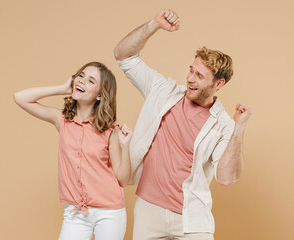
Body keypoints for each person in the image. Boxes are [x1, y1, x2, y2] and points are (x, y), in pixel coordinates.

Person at [114, 8, 253, 240]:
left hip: (191, 217)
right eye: (191, 70)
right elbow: (123, 55)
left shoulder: (223, 125)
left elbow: (226, 178)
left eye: (199, 76)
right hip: (149, 209)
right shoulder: (162, 90)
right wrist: (154, 25)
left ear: (218, 84)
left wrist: (238, 129)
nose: (190, 78)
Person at [13, 61, 132, 240]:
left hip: (109, 212)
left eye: (91, 81)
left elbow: (123, 178)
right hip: (76, 212)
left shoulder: (110, 130)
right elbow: (20, 97)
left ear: (100, 95)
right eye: (81, 75)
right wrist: (62, 88)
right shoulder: (61, 120)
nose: (82, 81)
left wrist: (126, 146)